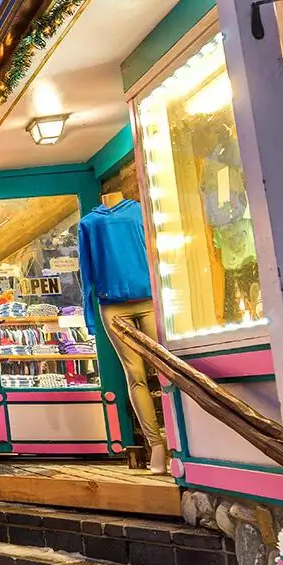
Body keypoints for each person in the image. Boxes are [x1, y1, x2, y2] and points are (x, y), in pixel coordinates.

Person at [77, 193, 168, 474]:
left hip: (149, 299)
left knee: (166, 369)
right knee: (135, 375)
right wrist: (90, 317)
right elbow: (86, 271)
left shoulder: (140, 211)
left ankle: (178, 439)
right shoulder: (89, 223)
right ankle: (157, 446)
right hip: (112, 307)